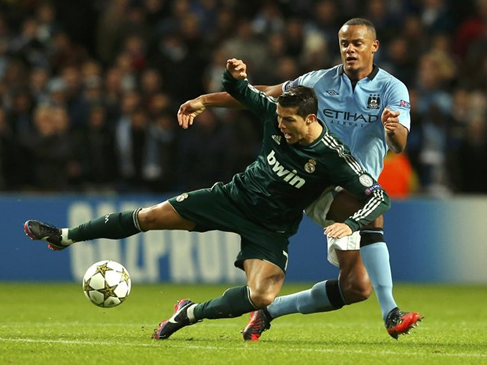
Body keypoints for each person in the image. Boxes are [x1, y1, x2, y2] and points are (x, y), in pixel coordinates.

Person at [24, 57, 391, 340]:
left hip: (271, 227)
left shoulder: (334, 156)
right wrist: (232, 75)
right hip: (232, 197)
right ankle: (65, 236)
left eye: (289, 122)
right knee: (151, 216)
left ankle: (188, 313)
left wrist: (352, 222)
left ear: (310, 119)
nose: (281, 126)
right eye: (279, 118)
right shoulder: (273, 113)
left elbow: (379, 197)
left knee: (262, 296)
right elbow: (241, 91)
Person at [176, 18, 422, 340]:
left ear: (374, 47)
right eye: (344, 43)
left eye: (357, 43)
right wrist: (207, 100)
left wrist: (392, 128)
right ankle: (391, 312)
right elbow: (263, 94)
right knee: (370, 208)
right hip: (318, 183)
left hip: (355, 186)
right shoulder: (319, 82)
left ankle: (268, 312)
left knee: (356, 287)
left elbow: (399, 144)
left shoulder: (392, 89)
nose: (349, 50)